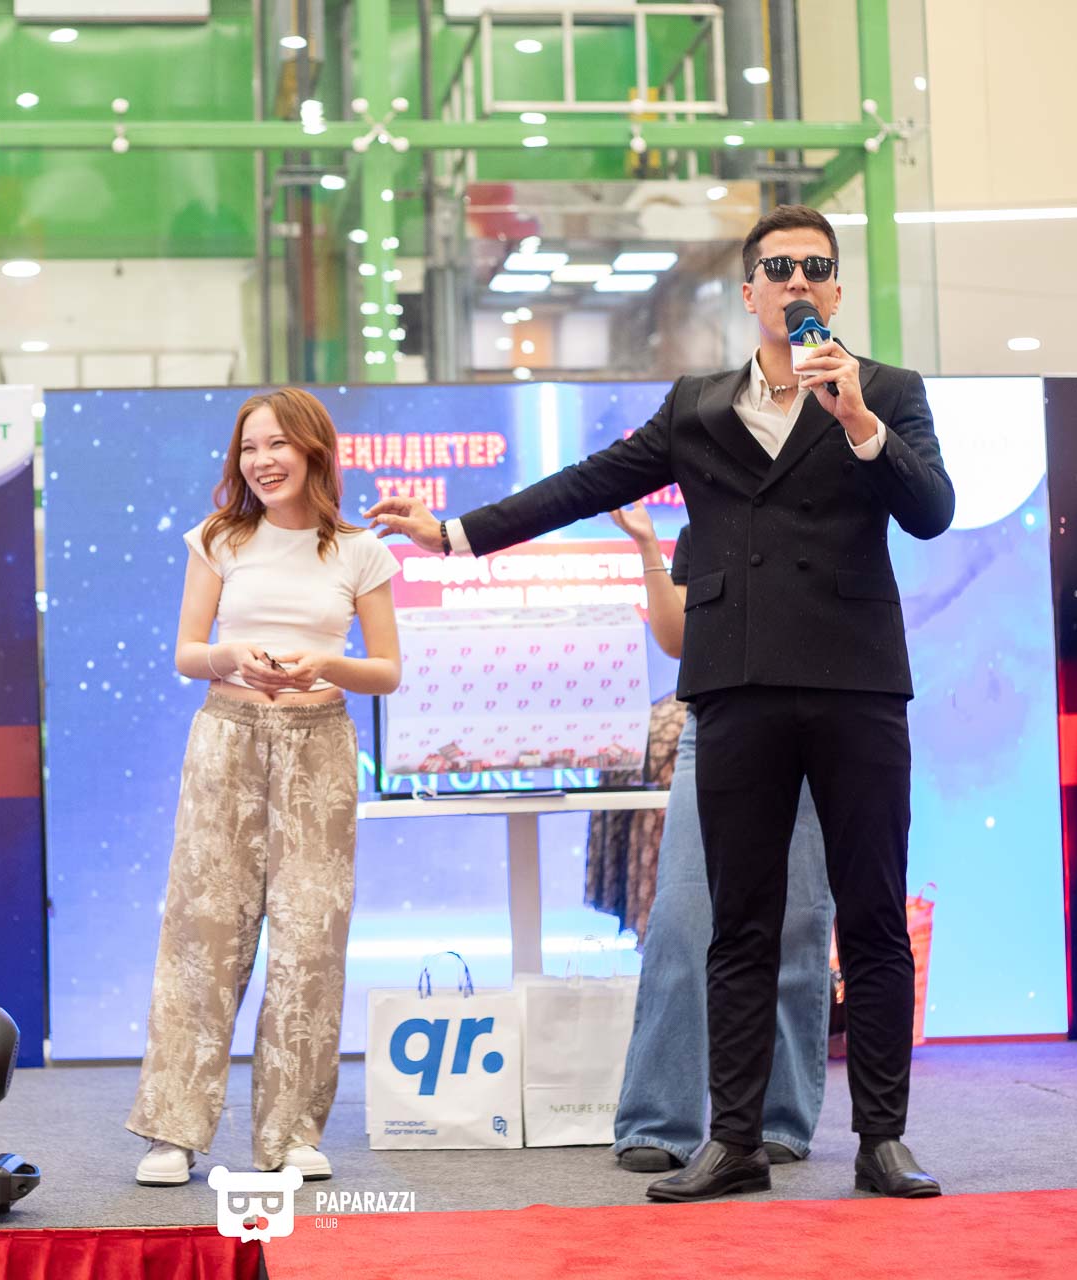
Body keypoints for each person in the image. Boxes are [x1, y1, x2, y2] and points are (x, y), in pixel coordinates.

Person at [368, 204, 954, 1201]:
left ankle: (883, 1138)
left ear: (837, 287)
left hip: (856, 681)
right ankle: (735, 1142)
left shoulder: (888, 391)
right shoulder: (697, 405)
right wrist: (455, 532)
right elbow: (586, 483)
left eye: (816, 267)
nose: (798, 283)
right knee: (739, 922)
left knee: (869, 915)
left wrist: (857, 419)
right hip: (736, 685)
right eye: (779, 269)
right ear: (750, 291)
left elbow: (932, 510)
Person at [127, 387, 402, 1185]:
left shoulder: (358, 550)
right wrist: (230, 655)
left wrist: (328, 664)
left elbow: (386, 670)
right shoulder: (219, 537)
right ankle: (173, 1132)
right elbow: (188, 651)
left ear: (314, 450)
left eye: (278, 443)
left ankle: (291, 1135)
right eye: (249, 447)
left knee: (311, 937)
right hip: (228, 738)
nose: (262, 460)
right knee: (204, 932)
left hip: (321, 747)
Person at [608, 506, 834, 1173]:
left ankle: (779, 1116)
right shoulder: (708, 522)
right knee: (682, 916)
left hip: (817, 720)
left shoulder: (832, 509)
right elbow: (677, 639)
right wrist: (648, 546)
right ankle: (659, 1118)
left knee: (797, 920)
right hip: (716, 722)